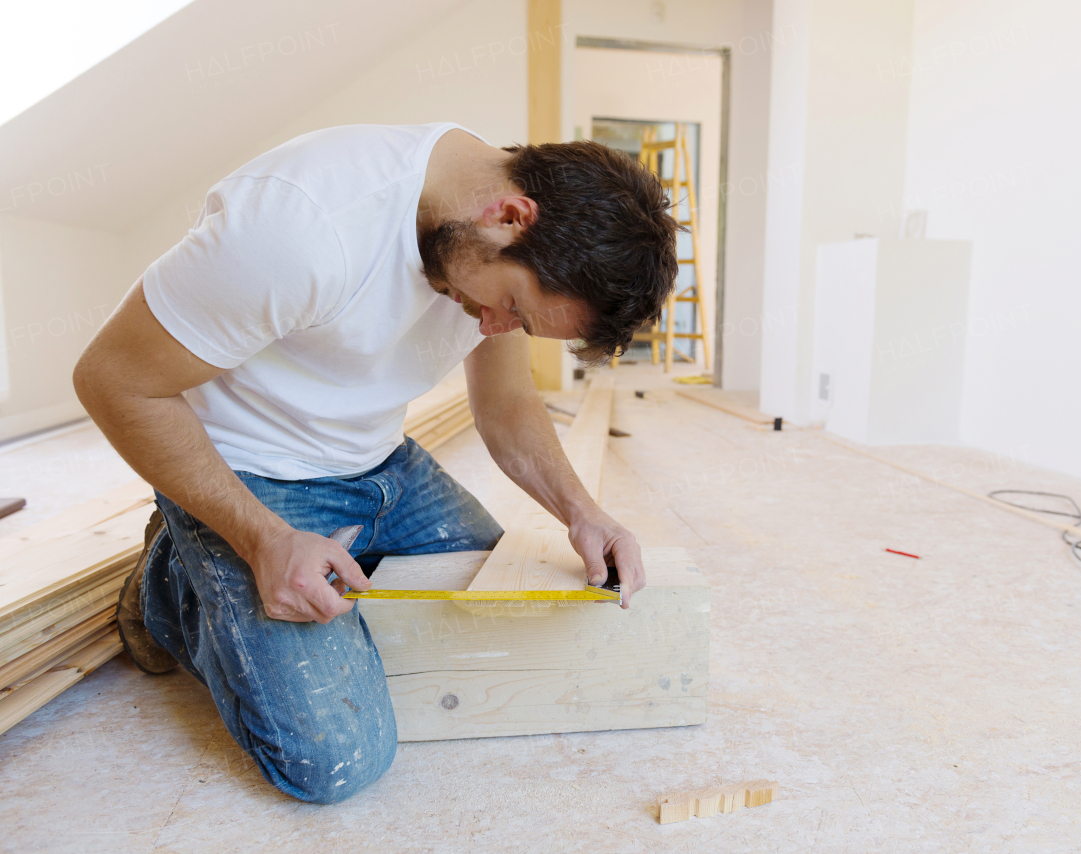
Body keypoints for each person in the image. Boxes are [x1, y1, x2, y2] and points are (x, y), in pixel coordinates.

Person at [73, 122, 678, 803]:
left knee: (498, 632)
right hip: (254, 471)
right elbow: (111, 380)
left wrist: (583, 512)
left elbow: (507, 403)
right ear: (508, 217)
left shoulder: (491, 225)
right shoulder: (299, 228)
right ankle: (172, 584)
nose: (494, 328)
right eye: (512, 308)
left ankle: (237, 577)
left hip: (382, 461)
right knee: (336, 758)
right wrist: (265, 540)